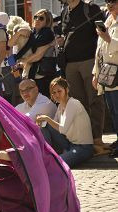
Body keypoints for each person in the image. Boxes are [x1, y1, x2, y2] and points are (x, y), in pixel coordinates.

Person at [60, 0, 108, 154]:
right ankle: (86, 140)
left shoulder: (91, 8)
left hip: (89, 61)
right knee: (78, 105)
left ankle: (97, 139)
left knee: (95, 100)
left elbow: (103, 33)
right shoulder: (64, 11)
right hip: (70, 64)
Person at [37, 77, 94, 168]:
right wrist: (42, 121)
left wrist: (47, 118)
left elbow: (62, 129)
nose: (56, 95)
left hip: (83, 148)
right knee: (44, 125)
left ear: (66, 90)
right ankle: (45, 155)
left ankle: (52, 158)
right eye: (54, 92)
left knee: (55, 165)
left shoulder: (73, 103)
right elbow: (53, 126)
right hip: (69, 144)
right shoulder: (60, 106)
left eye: (59, 91)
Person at [93, 0, 118, 158]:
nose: (110, 5)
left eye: (114, 2)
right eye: (108, 2)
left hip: (116, 73)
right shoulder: (108, 21)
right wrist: (95, 73)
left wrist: (108, 38)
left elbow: (109, 42)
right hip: (107, 75)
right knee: (114, 112)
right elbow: (99, 50)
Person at [13, 10, 57, 98]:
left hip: (43, 74)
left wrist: (22, 61)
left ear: (47, 21)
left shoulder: (47, 32)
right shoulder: (33, 33)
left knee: (43, 100)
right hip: (34, 73)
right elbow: (16, 46)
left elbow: (37, 56)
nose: (37, 20)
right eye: (35, 17)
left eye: (41, 18)